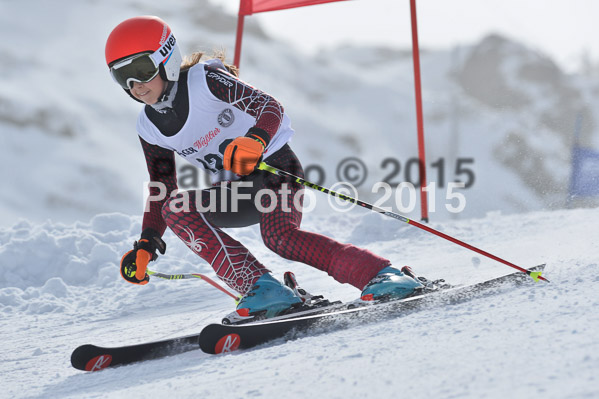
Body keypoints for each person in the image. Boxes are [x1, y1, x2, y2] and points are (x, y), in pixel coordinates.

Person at [107, 15, 423, 319]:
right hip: (234, 191)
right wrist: (147, 243)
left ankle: (385, 274)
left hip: (275, 172)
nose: (135, 84)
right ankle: (264, 289)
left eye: (141, 69)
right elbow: (162, 186)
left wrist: (255, 141)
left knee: (280, 238)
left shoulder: (204, 80)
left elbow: (268, 107)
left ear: (167, 58)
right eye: (122, 75)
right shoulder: (149, 125)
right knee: (175, 207)